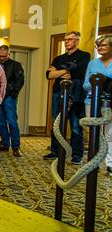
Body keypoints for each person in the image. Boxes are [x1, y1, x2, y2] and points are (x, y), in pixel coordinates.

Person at [44, 31, 90, 165]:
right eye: (65, 39)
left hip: (75, 95)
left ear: (77, 41)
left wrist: (58, 72)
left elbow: (80, 73)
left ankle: (77, 155)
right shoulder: (58, 58)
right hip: (58, 93)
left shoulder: (84, 56)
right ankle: (55, 151)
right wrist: (67, 71)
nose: (67, 42)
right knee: (56, 123)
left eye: (70, 39)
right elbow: (49, 75)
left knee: (76, 125)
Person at [83, 34, 112, 176]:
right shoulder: (92, 63)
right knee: (94, 133)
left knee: (110, 134)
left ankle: (110, 163)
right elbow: (85, 85)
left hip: (110, 103)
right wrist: (98, 83)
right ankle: (94, 161)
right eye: (98, 45)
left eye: (103, 45)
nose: (100, 48)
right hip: (92, 101)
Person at [0, 45, 25, 157]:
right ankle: (4, 143)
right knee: (1, 122)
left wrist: (13, 93)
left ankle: (16, 147)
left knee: (12, 122)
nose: (1, 58)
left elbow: (20, 81)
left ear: (9, 54)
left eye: (4, 56)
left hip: (9, 97)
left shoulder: (15, 65)